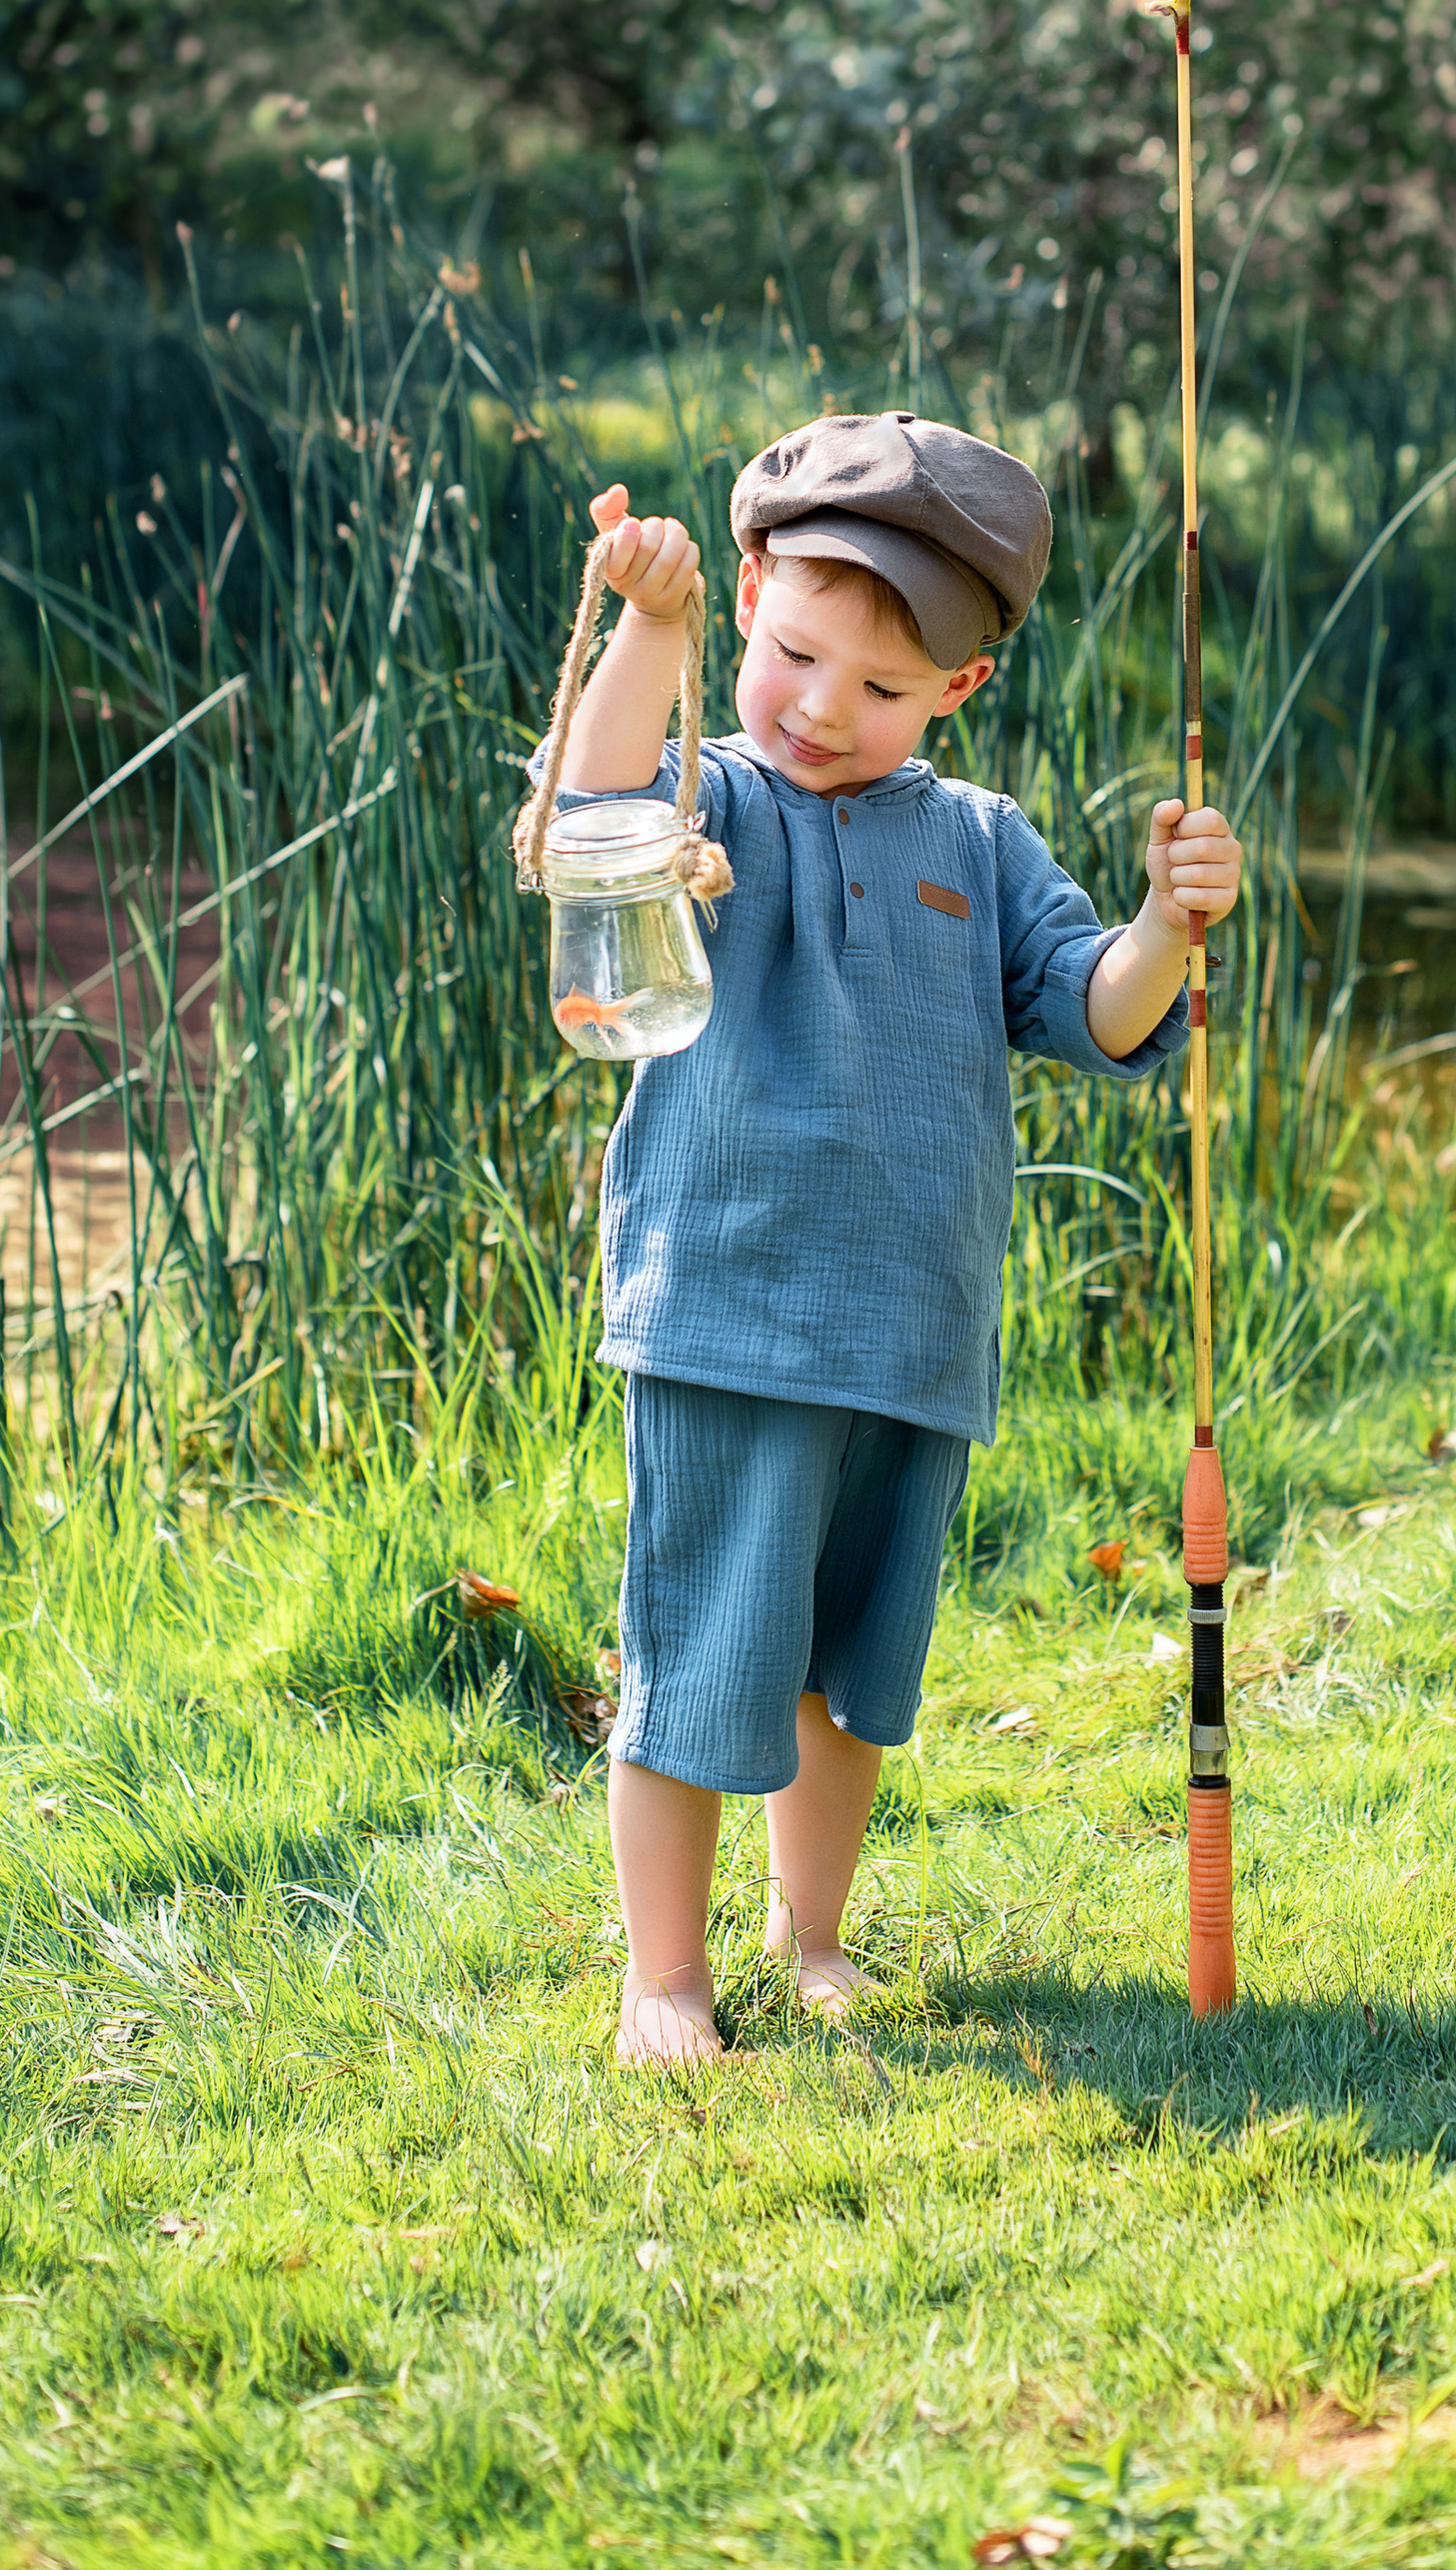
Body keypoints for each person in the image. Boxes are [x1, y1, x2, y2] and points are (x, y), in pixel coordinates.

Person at [543, 411, 1243, 2068]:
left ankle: (814, 1935)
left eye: (879, 686)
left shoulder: (979, 842)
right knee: (701, 1658)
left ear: (959, 688)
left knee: (847, 1675)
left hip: (910, 1339)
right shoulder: (710, 798)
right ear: (750, 597)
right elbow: (595, 794)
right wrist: (650, 625)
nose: (820, 707)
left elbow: (1095, 1010)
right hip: (722, 1315)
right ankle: (664, 1973)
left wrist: (1167, 921)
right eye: (792, 654)